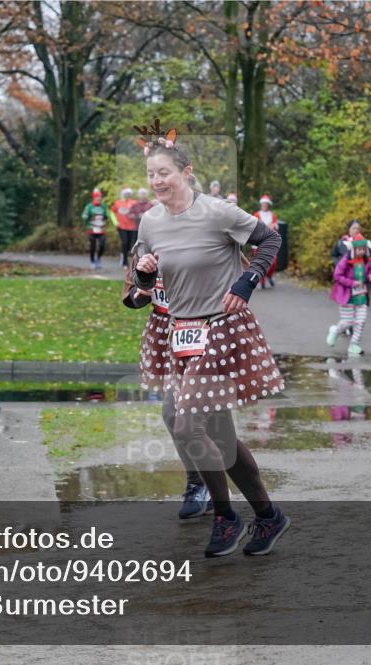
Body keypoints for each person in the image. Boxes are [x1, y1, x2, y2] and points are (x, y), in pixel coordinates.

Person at [133, 130, 289, 557]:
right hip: (180, 334)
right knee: (217, 434)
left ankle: (224, 514)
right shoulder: (150, 221)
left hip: (222, 329)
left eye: (164, 172)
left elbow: (271, 240)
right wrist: (145, 275)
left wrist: (247, 279)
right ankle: (268, 516)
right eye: (151, 174)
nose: (157, 181)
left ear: (187, 172)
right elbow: (141, 286)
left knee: (188, 425)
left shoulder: (218, 212)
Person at [122, 250, 253, 519]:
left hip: (206, 332)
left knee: (189, 419)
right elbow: (133, 296)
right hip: (168, 335)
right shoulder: (146, 241)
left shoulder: (206, 232)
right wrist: (142, 292)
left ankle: (221, 496)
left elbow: (243, 275)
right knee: (188, 420)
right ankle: (207, 487)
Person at [326, 233, 371, 356]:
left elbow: (365, 277)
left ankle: (354, 344)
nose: (362, 252)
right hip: (347, 296)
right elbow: (337, 276)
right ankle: (335, 330)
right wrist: (352, 283)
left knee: (361, 321)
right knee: (348, 322)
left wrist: (369, 277)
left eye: (364, 249)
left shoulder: (367, 262)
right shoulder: (346, 260)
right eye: (359, 249)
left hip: (361, 296)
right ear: (354, 249)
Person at [251, 194, 279, 289]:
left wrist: (275, 226)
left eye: (266, 203)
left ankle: (269, 275)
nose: (264, 205)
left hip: (270, 241)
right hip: (259, 241)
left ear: (268, 205)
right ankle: (262, 281)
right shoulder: (256, 214)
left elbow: (275, 227)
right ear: (260, 204)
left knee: (273, 262)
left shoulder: (273, 215)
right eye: (263, 203)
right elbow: (255, 227)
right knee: (261, 263)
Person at [81, 188, 108, 270]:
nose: (99, 199)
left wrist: (104, 220)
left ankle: (98, 259)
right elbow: (83, 216)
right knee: (92, 246)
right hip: (92, 229)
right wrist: (88, 217)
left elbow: (105, 217)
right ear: (94, 198)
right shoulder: (89, 206)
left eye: (100, 197)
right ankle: (92, 261)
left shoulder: (103, 206)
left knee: (102, 245)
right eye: (98, 197)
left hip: (101, 229)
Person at [112, 187, 138, 269]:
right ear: (123, 194)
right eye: (126, 194)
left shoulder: (134, 202)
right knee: (125, 242)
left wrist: (135, 216)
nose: (127, 195)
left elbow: (138, 212)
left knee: (130, 244)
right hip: (121, 226)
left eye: (129, 194)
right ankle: (124, 262)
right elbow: (112, 212)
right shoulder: (117, 203)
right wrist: (115, 222)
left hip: (132, 227)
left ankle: (123, 254)